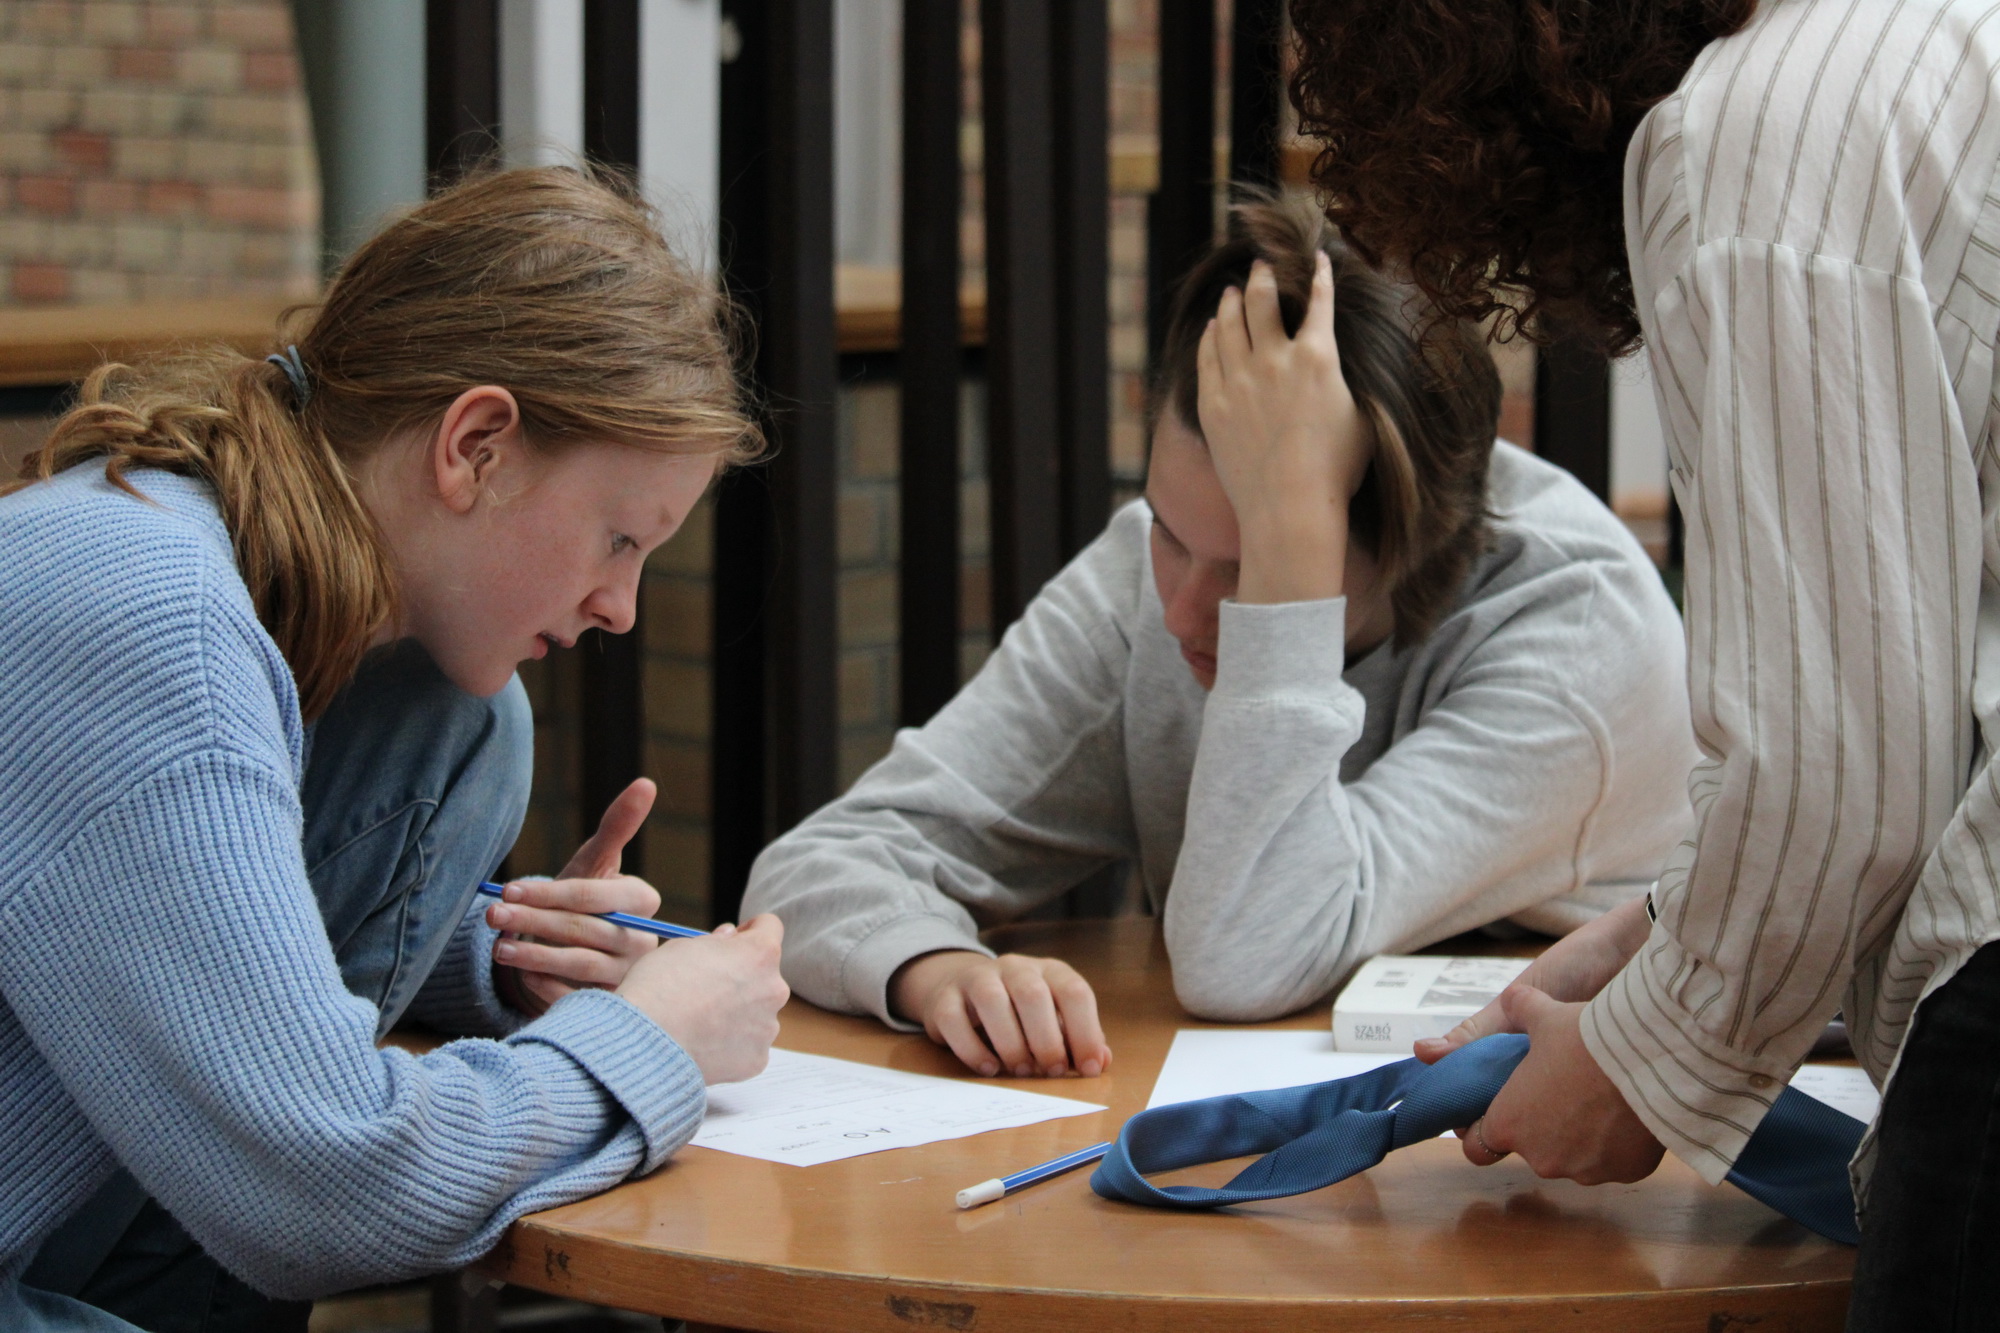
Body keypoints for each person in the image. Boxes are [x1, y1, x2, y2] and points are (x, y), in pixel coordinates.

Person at [1284, 0, 2000, 1321]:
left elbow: (1840, 775)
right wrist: (1659, 937)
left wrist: (1643, 1059)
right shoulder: (1916, 52)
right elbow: (1929, 685)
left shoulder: (1752, 136)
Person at [0, 165, 790, 1333]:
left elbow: (127, 929)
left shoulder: (315, 644)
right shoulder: (146, 615)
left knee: (461, 721)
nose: (620, 608)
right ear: (475, 445)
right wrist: (645, 1042)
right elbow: (325, 1189)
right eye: (619, 538)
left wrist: (504, 962)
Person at [742, 197, 1697, 1081]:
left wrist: (1288, 575)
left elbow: (1247, 955)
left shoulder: (1580, 632)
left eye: (1249, 566)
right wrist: (936, 968)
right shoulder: (1151, 582)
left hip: (1562, 1158)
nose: (1183, 615)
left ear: (1412, 546)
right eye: (1168, 530)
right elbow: (815, 870)